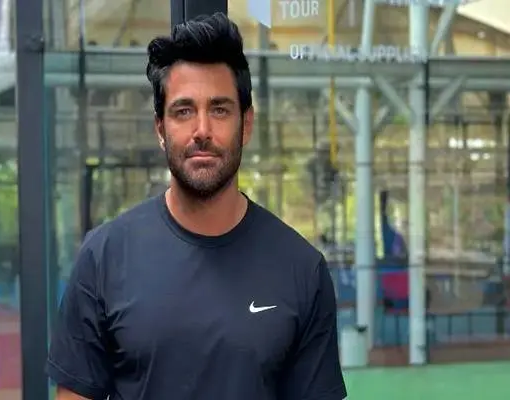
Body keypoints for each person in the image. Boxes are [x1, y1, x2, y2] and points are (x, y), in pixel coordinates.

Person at [46, 12, 346, 400]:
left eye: (219, 109)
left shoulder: (301, 269)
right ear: (160, 128)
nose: (202, 130)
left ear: (246, 124)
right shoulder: (104, 257)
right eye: (183, 111)